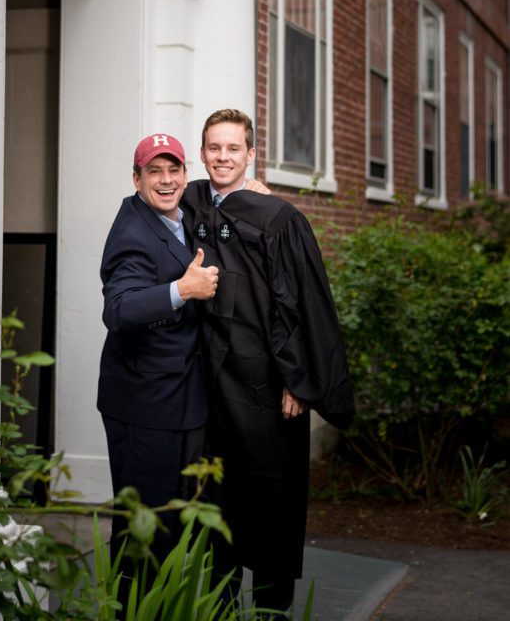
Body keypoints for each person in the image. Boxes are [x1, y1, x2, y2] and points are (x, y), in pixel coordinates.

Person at [181, 109, 354, 618]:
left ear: (251, 154)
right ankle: (220, 607)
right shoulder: (192, 200)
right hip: (215, 385)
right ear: (203, 150)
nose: (223, 157)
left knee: (272, 500)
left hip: (265, 384)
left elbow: (300, 303)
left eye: (234, 149)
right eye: (214, 148)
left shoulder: (278, 219)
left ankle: (271, 609)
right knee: (220, 499)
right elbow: (152, 194)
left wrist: (298, 381)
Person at [97, 132, 220, 563]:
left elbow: (210, 190)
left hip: (179, 400)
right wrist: (181, 289)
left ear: (187, 176)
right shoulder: (133, 232)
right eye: (154, 171)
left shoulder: (180, 211)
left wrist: (251, 189)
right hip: (143, 407)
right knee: (142, 532)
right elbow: (119, 309)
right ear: (136, 179)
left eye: (174, 170)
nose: (166, 180)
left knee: (168, 526)